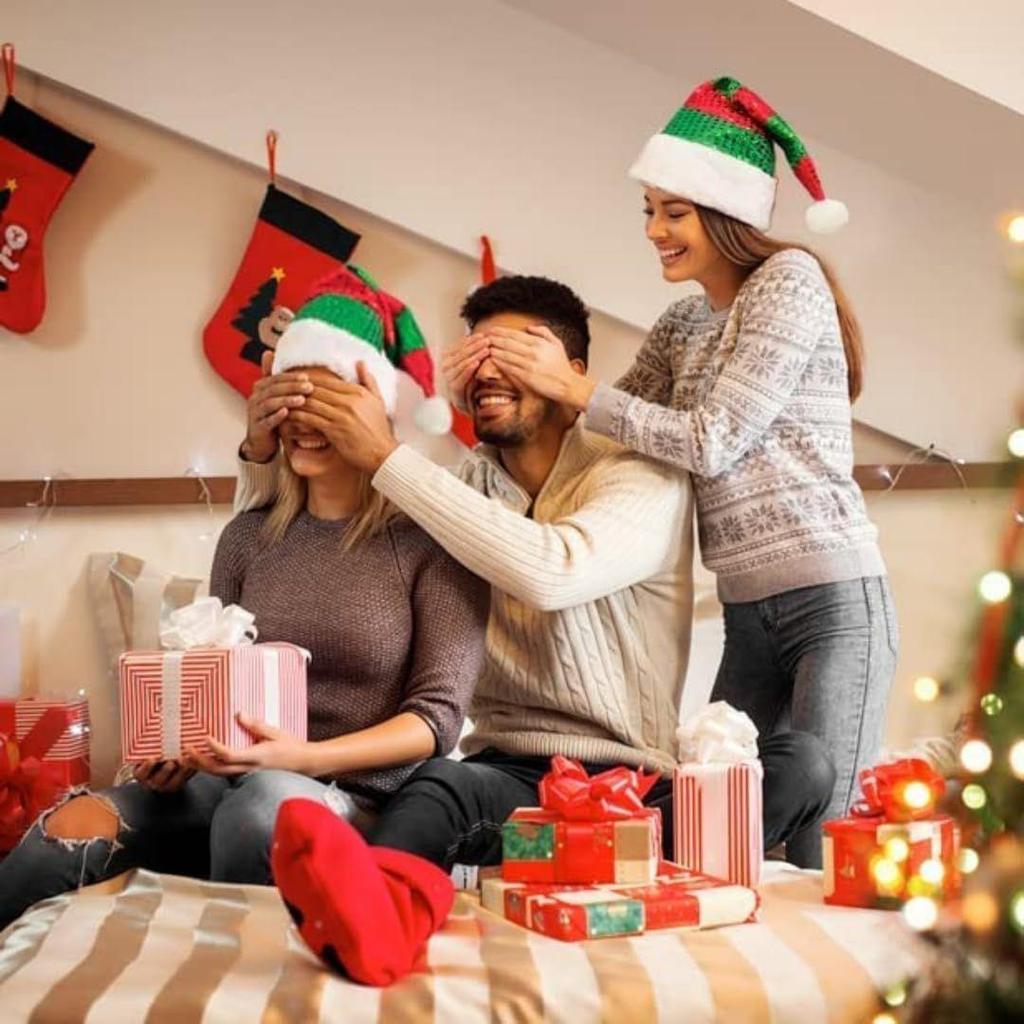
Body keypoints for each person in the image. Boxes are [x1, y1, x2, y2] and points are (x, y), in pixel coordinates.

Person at [234, 273, 837, 985]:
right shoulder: (454, 487)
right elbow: (312, 526)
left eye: (522, 350)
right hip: (517, 778)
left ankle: (643, 862)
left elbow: (554, 572)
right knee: (436, 788)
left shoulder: (642, 472)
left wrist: (389, 457)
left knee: (803, 761)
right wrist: (262, 450)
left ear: (575, 374)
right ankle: (382, 918)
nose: (494, 368)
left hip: (640, 783)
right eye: (478, 354)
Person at [448, 77, 896, 869]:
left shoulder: (789, 280)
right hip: (748, 610)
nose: (654, 229)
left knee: (820, 834)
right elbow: (603, 434)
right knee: (716, 820)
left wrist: (573, 387)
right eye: (648, 211)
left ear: (727, 215)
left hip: (834, 600)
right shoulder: (685, 320)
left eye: (673, 212)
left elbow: (711, 438)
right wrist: (498, 398)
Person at [0, 267, 487, 931]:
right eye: (287, 400)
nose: (301, 421)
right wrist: (174, 754)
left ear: (374, 408)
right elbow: (211, 671)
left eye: (326, 400)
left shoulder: (433, 541)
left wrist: (298, 758)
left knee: (261, 807)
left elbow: (436, 723)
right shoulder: (249, 537)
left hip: (357, 799)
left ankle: (244, 986)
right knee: (70, 823)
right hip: (225, 784)